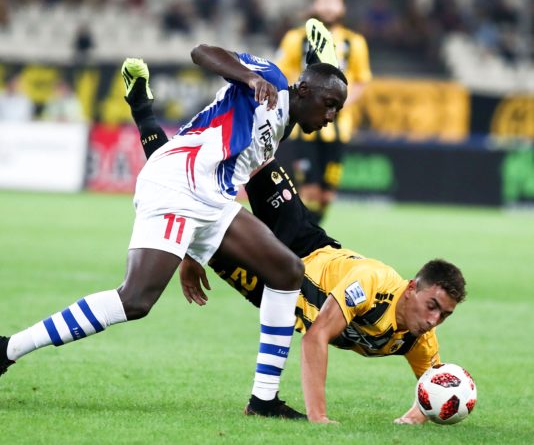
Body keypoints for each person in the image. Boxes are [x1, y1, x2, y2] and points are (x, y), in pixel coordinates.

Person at [0, 39, 347, 419]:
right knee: (135, 299)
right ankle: (7, 349)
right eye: (329, 104)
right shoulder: (273, 81)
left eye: (338, 109)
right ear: (304, 90)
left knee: (287, 271)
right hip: (178, 182)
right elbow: (202, 52)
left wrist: (195, 253)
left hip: (211, 199)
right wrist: (249, 78)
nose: (332, 115)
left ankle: (264, 400)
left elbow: (231, 177)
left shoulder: (282, 128)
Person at [110, 92, 466, 424]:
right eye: (432, 305)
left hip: (271, 285)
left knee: (191, 197)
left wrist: (413, 418)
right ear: (412, 288)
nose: (434, 320)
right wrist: (319, 418)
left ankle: (261, 403)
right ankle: (148, 109)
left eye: (444, 315)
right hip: (304, 243)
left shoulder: (420, 339)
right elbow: (316, 337)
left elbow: (434, 390)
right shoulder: (373, 284)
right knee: (255, 155)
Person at [276, 0, 372, 223]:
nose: (329, 7)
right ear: (314, 4)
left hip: (339, 129)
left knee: (327, 195)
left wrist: (337, 106)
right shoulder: (295, 38)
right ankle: (304, 234)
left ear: (343, 7)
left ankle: (309, 230)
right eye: (324, 0)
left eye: (334, 1)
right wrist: (301, 100)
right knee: (308, 191)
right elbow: (281, 73)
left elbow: (362, 80)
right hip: (303, 129)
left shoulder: (354, 42)